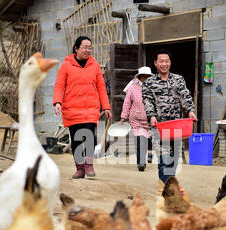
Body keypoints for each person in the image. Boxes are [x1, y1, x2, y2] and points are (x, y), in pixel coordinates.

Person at [53, 36, 111, 179]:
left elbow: (101, 88)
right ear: (76, 48)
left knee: (89, 135)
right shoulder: (66, 66)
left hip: (91, 108)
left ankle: (89, 165)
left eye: (90, 47)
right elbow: (59, 85)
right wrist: (57, 102)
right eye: (85, 47)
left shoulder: (95, 66)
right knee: (76, 139)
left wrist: (106, 107)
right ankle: (79, 168)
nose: (88, 50)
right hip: (72, 109)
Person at [142, 49, 197, 183]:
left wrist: (190, 110)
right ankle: (165, 191)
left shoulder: (178, 79)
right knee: (164, 159)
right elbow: (147, 100)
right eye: (161, 61)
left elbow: (185, 95)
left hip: (176, 127)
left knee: (174, 160)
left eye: (167, 61)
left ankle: (169, 186)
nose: (164, 64)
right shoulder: (149, 83)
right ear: (155, 63)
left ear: (170, 63)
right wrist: (151, 116)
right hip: (159, 127)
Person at [120, 66, 154, 172]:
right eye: (144, 76)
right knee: (140, 140)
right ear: (140, 77)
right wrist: (123, 116)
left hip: (149, 119)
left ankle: (149, 154)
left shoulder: (154, 88)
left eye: (148, 76)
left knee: (149, 139)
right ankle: (141, 163)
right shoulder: (132, 88)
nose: (146, 78)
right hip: (136, 119)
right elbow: (127, 103)